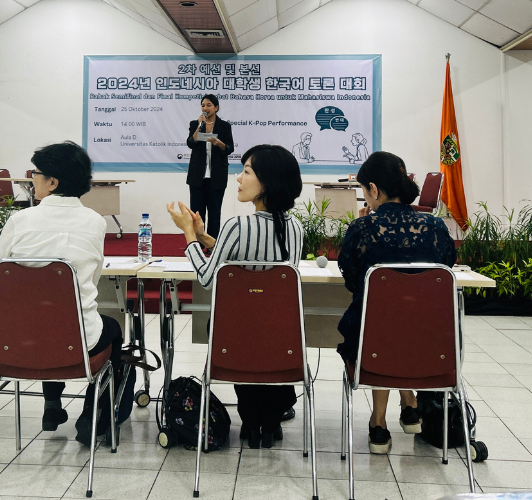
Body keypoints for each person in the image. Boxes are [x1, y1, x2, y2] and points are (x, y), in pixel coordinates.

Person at [167, 144, 304, 449]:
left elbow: (206, 276)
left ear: (266, 183)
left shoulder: (237, 225)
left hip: (236, 337)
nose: (239, 179)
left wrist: (189, 234)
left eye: (246, 171)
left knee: (232, 326)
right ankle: (267, 421)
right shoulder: (295, 227)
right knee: (260, 334)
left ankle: (252, 419)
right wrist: (204, 237)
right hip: (281, 336)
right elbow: (249, 256)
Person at [0, 141, 122, 445]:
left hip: (18, 342)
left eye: (35, 174)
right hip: (76, 343)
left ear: (53, 182)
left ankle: (52, 406)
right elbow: (93, 277)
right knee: (111, 328)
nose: (32, 180)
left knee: (44, 316)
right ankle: (93, 416)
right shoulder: (95, 222)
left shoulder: (19, 221)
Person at [336, 151, 456, 454]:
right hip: (431, 346)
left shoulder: (361, 229)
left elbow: (354, 283)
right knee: (404, 322)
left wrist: (364, 228)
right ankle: (409, 401)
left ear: (373, 190)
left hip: (374, 342)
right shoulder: (437, 227)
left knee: (377, 322)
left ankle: (379, 421)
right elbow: (445, 270)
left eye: (365, 192)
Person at [186, 94, 235, 240]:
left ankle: (212, 243)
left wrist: (219, 144)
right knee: (197, 213)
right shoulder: (195, 124)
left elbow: (229, 148)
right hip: (197, 176)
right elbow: (190, 143)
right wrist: (198, 127)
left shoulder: (224, 126)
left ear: (216, 107)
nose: (205, 108)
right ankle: (198, 243)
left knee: (214, 212)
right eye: (203, 105)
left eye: (208, 105)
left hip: (217, 176)